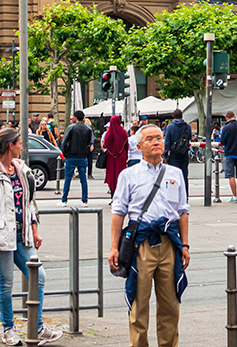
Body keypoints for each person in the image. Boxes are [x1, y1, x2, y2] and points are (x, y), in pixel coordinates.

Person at [0, 129, 63, 345]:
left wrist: (34, 229)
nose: (23, 147)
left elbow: (27, 202)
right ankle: (8, 329)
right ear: (10, 146)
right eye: (20, 143)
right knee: (6, 283)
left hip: (21, 234)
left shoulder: (20, 169)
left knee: (38, 277)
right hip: (1, 235)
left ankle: (37, 326)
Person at [108, 124, 191, 347]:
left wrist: (185, 245)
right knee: (138, 305)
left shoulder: (175, 174)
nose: (156, 142)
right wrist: (114, 247)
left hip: (169, 244)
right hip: (141, 245)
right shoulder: (129, 175)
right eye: (151, 139)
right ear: (139, 146)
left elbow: (183, 211)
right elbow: (118, 213)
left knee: (170, 306)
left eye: (160, 138)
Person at [59, 111, 95, 206]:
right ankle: (84, 200)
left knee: (68, 179)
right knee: (83, 179)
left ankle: (64, 199)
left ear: (75, 118)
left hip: (71, 155)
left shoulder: (71, 128)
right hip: (82, 156)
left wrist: (65, 153)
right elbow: (88, 141)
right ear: (83, 117)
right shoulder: (88, 129)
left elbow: (64, 142)